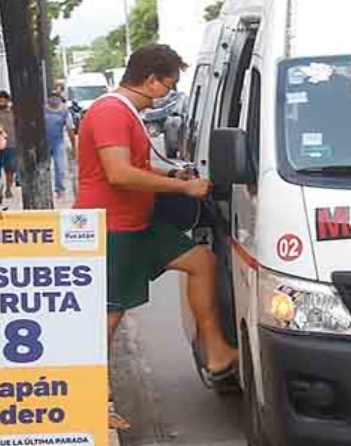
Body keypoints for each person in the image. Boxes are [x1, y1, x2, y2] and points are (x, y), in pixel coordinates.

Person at [75, 44, 239, 379]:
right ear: (151, 80)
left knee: (201, 262)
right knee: (110, 312)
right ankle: (92, 391)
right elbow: (118, 173)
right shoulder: (111, 112)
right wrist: (184, 188)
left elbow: (137, 165)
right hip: (113, 227)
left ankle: (217, 351)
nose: (169, 93)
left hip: (138, 222)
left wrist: (171, 174)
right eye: (170, 84)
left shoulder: (125, 112)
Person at [46, 92, 77, 201]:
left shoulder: (65, 112)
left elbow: (70, 129)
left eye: (56, 98)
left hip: (58, 142)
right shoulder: (42, 109)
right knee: (44, 167)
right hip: (44, 143)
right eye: (52, 97)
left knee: (60, 168)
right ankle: (45, 189)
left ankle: (60, 190)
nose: (54, 100)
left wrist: (74, 146)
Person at [0, 91, 19, 200]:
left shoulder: (14, 111)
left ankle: (8, 188)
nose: (1, 102)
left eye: (3, 99)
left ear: (8, 100)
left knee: (10, 169)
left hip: (11, 144)